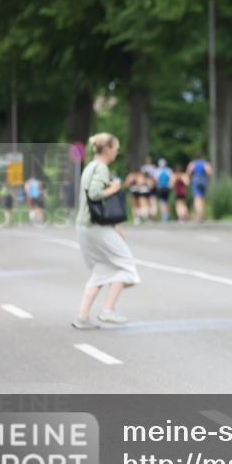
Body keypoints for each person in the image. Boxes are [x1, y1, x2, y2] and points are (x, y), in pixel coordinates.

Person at [72, 133, 140, 329]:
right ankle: (108, 310)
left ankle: (82, 317)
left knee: (102, 268)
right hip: (95, 227)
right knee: (126, 266)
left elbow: (92, 200)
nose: (116, 153)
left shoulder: (90, 166)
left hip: (85, 225)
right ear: (108, 148)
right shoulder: (101, 168)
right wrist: (115, 187)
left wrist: (114, 225)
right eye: (116, 149)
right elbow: (95, 195)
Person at [186, 153, 213, 222]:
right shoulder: (205, 163)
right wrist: (208, 179)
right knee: (203, 198)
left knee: (197, 198)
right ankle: (203, 215)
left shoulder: (192, 164)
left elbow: (189, 172)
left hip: (196, 180)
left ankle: (199, 215)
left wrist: (190, 179)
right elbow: (209, 172)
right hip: (204, 180)